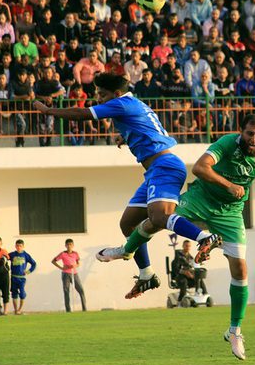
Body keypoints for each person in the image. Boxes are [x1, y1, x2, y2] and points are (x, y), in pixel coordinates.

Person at [126, 114, 255, 360]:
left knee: (241, 270)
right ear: (240, 132)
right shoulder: (226, 143)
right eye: (249, 134)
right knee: (158, 220)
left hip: (231, 213)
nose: (254, 139)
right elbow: (200, 168)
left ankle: (234, 330)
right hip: (201, 199)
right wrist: (228, 185)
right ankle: (126, 251)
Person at [33, 73, 217, 300]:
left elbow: (84, 114)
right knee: (128, 223)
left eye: (102, 95)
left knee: (159, 216)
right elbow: (150, 128)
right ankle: (146, 274)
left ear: (116, 94)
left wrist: (48, 111)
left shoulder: (122, 104)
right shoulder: (133, 103)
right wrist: (130, 137)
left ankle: (204, 238)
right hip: (154, 170)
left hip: (165, 166)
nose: (99, 98)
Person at [52, 238, 87, 312]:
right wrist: (61, 267)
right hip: (66, 274)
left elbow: (78, 263)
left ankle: (84, 309)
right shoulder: (63, 254)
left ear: (73, 245)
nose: (69, 246)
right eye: (67, 245)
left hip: (74, 273)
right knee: (66, 291)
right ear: (65, 245)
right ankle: (68, 310)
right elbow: (53, 261)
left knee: (81, 290)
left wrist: (75, 266)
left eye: (70, 245)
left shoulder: (75, 254)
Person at [171, 240, 208, 306]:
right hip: (179, 277)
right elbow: (175, 269)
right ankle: (180, 302)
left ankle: (205, 296)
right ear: (183, 246)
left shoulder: (191, 258)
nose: (188, 247)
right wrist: (185, 272)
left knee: (199, 280)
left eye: (189, 246)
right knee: (184, 282)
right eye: (186, 246)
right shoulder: (178, 256)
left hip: (189, 277)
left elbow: (193, 267)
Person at [8, 239, 36, 315]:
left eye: (20, 246)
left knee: (22, 293)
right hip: (13, 277)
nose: (19, 247)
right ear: (15, 246)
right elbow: (5, 257)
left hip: (21, 278)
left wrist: (28, 271)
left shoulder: (26, 255)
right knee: (14, 294)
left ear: (23, 246)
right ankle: (16, 310)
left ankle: (20, 309)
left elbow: (34, 264)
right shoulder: (12, 254)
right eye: (17, 246)